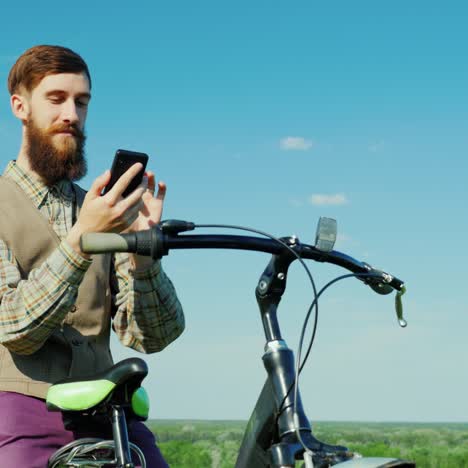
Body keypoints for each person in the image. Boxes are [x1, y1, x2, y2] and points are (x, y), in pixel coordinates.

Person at [0, 45, 185, 467]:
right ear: (20, 106)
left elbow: (154, 336)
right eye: (56, 99)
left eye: (81, 102)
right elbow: (14, 327)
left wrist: (143, 256)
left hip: (109, 411)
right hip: (19, 412)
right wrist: (83, 238)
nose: (71, 113)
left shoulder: (102, 210)